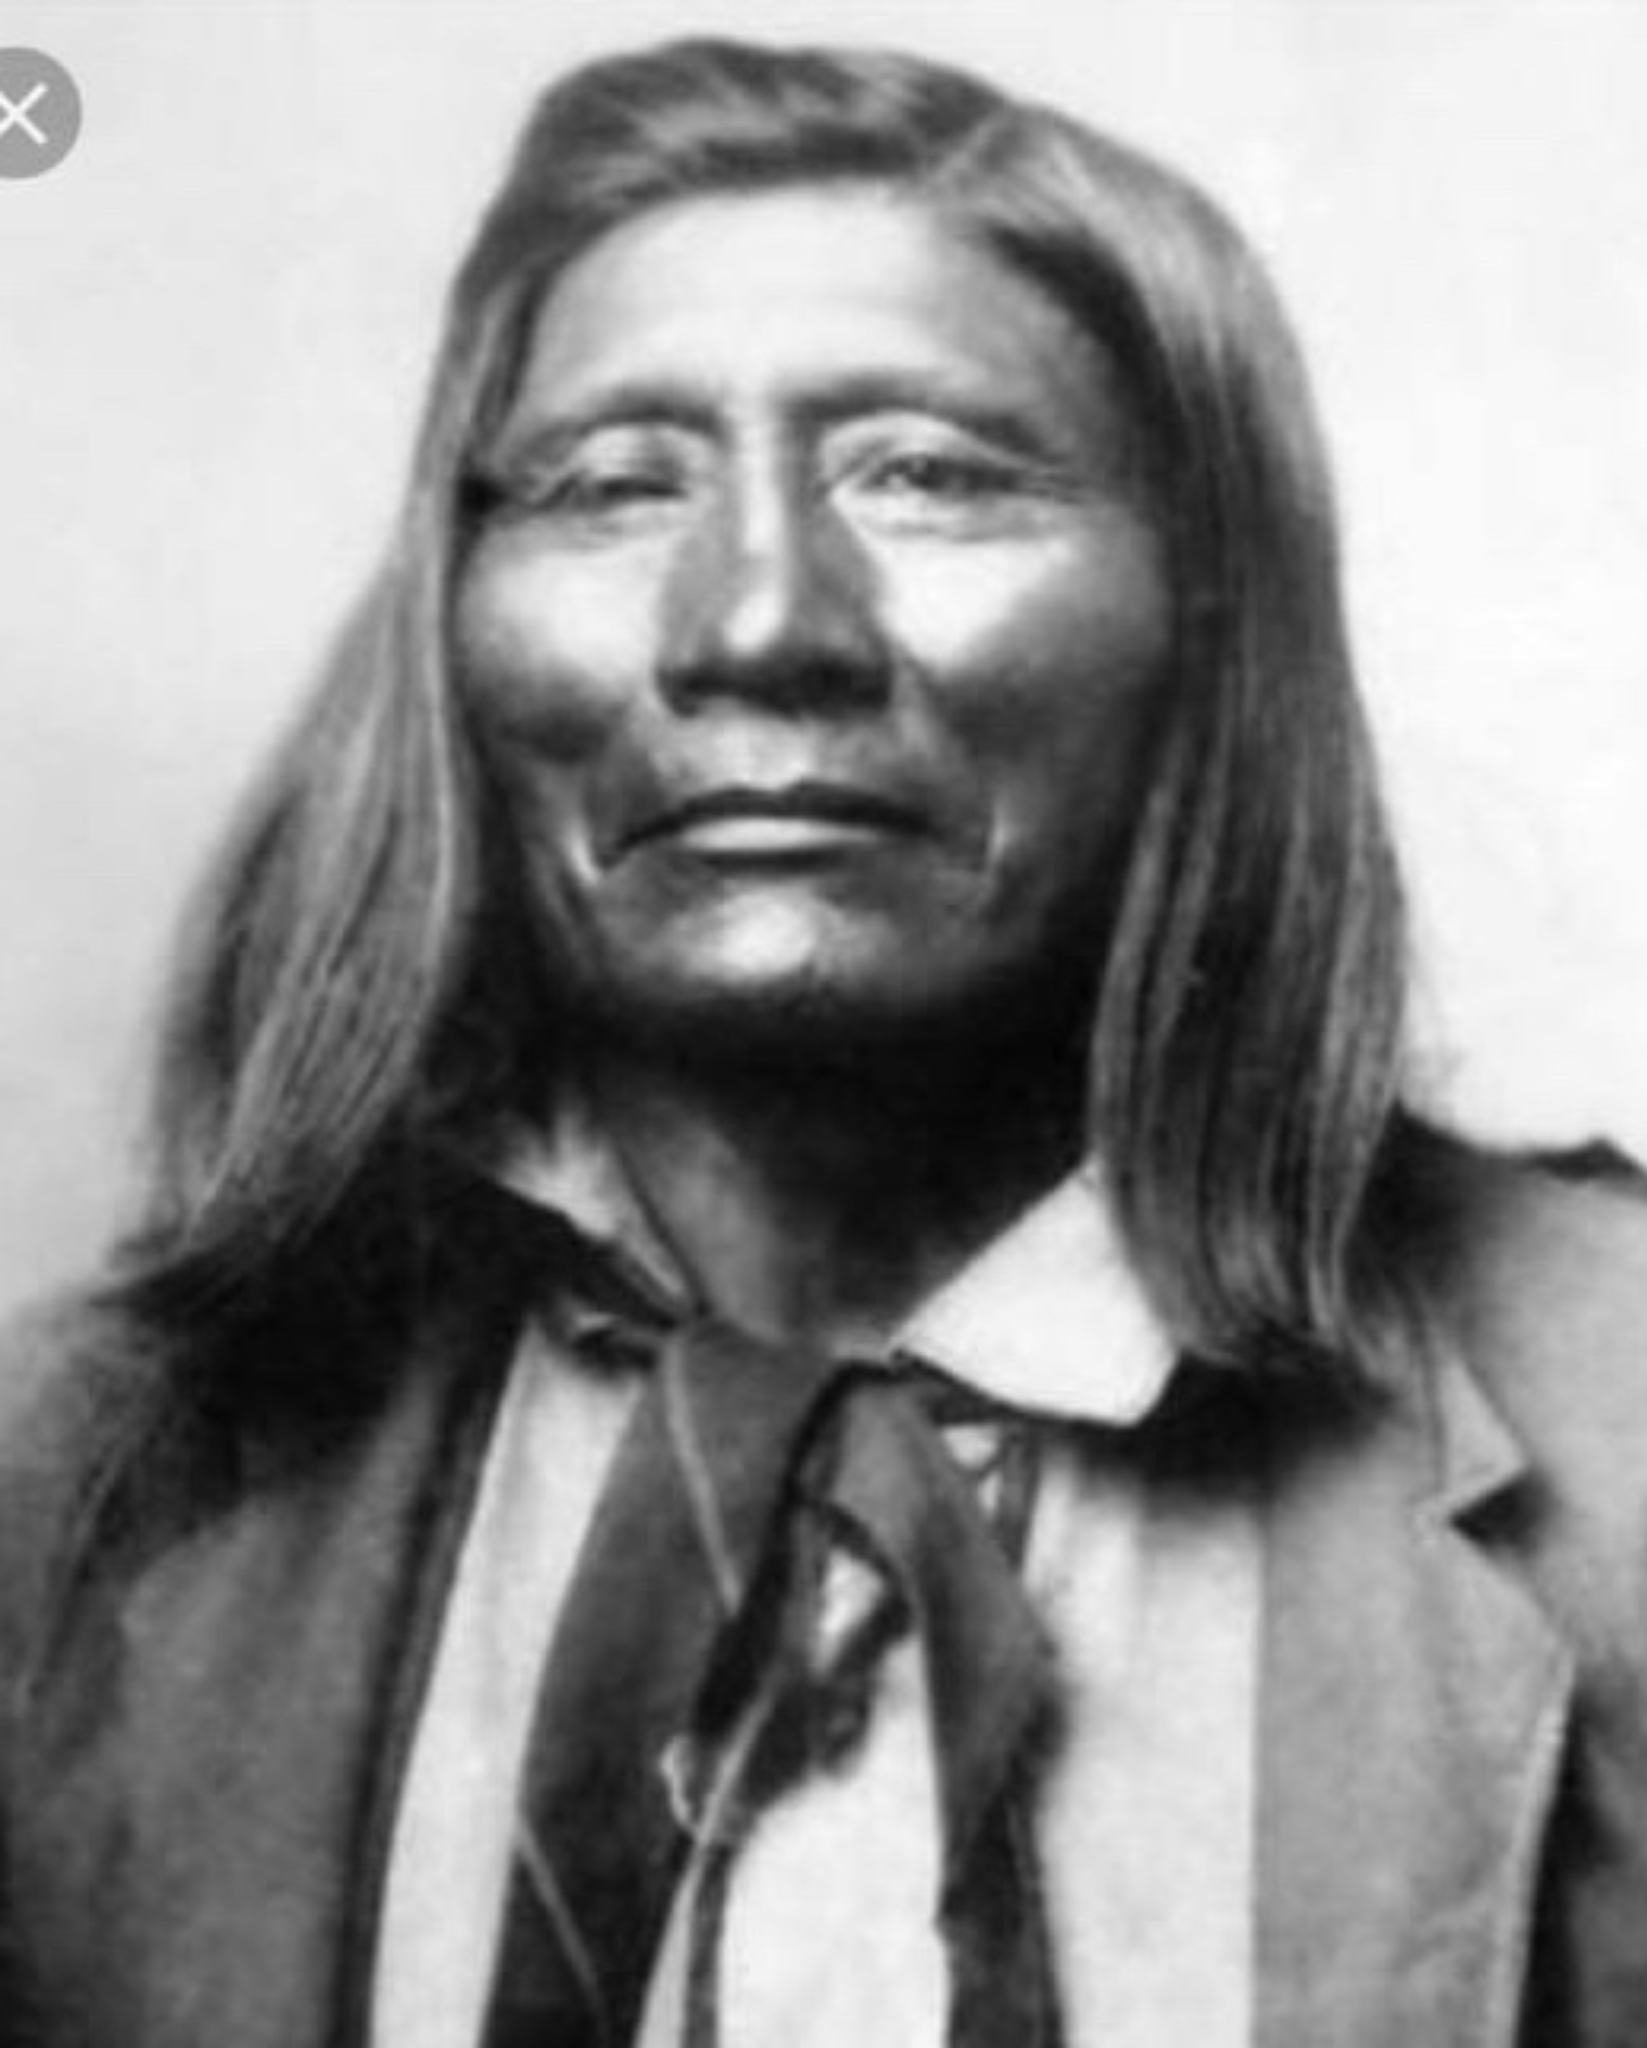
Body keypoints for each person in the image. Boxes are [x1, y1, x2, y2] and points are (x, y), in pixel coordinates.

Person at [0, 34, 1643, 2048]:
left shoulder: (1624, 1430)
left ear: (1213, 622)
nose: (758, 620)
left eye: (928, 472)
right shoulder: (78, 1492)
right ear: (453, 618)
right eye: (612, 485)